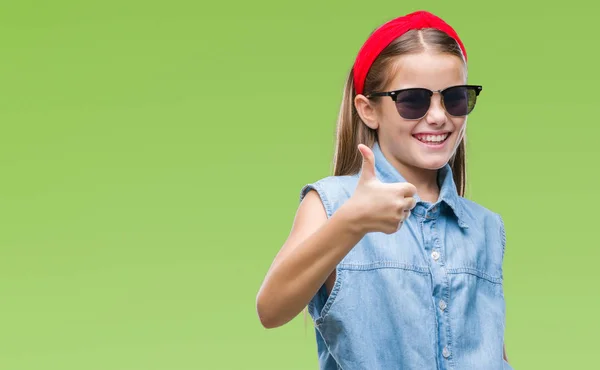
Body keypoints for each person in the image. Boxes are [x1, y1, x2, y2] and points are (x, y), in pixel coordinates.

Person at [256, 10, 513, 370]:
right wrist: (352, 223)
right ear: (368, 110)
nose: (439, 116)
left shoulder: (485, 227)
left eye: (454, 98)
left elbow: (490, 352)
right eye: (413, 100)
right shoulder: (333, 204)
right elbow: (271, 309)